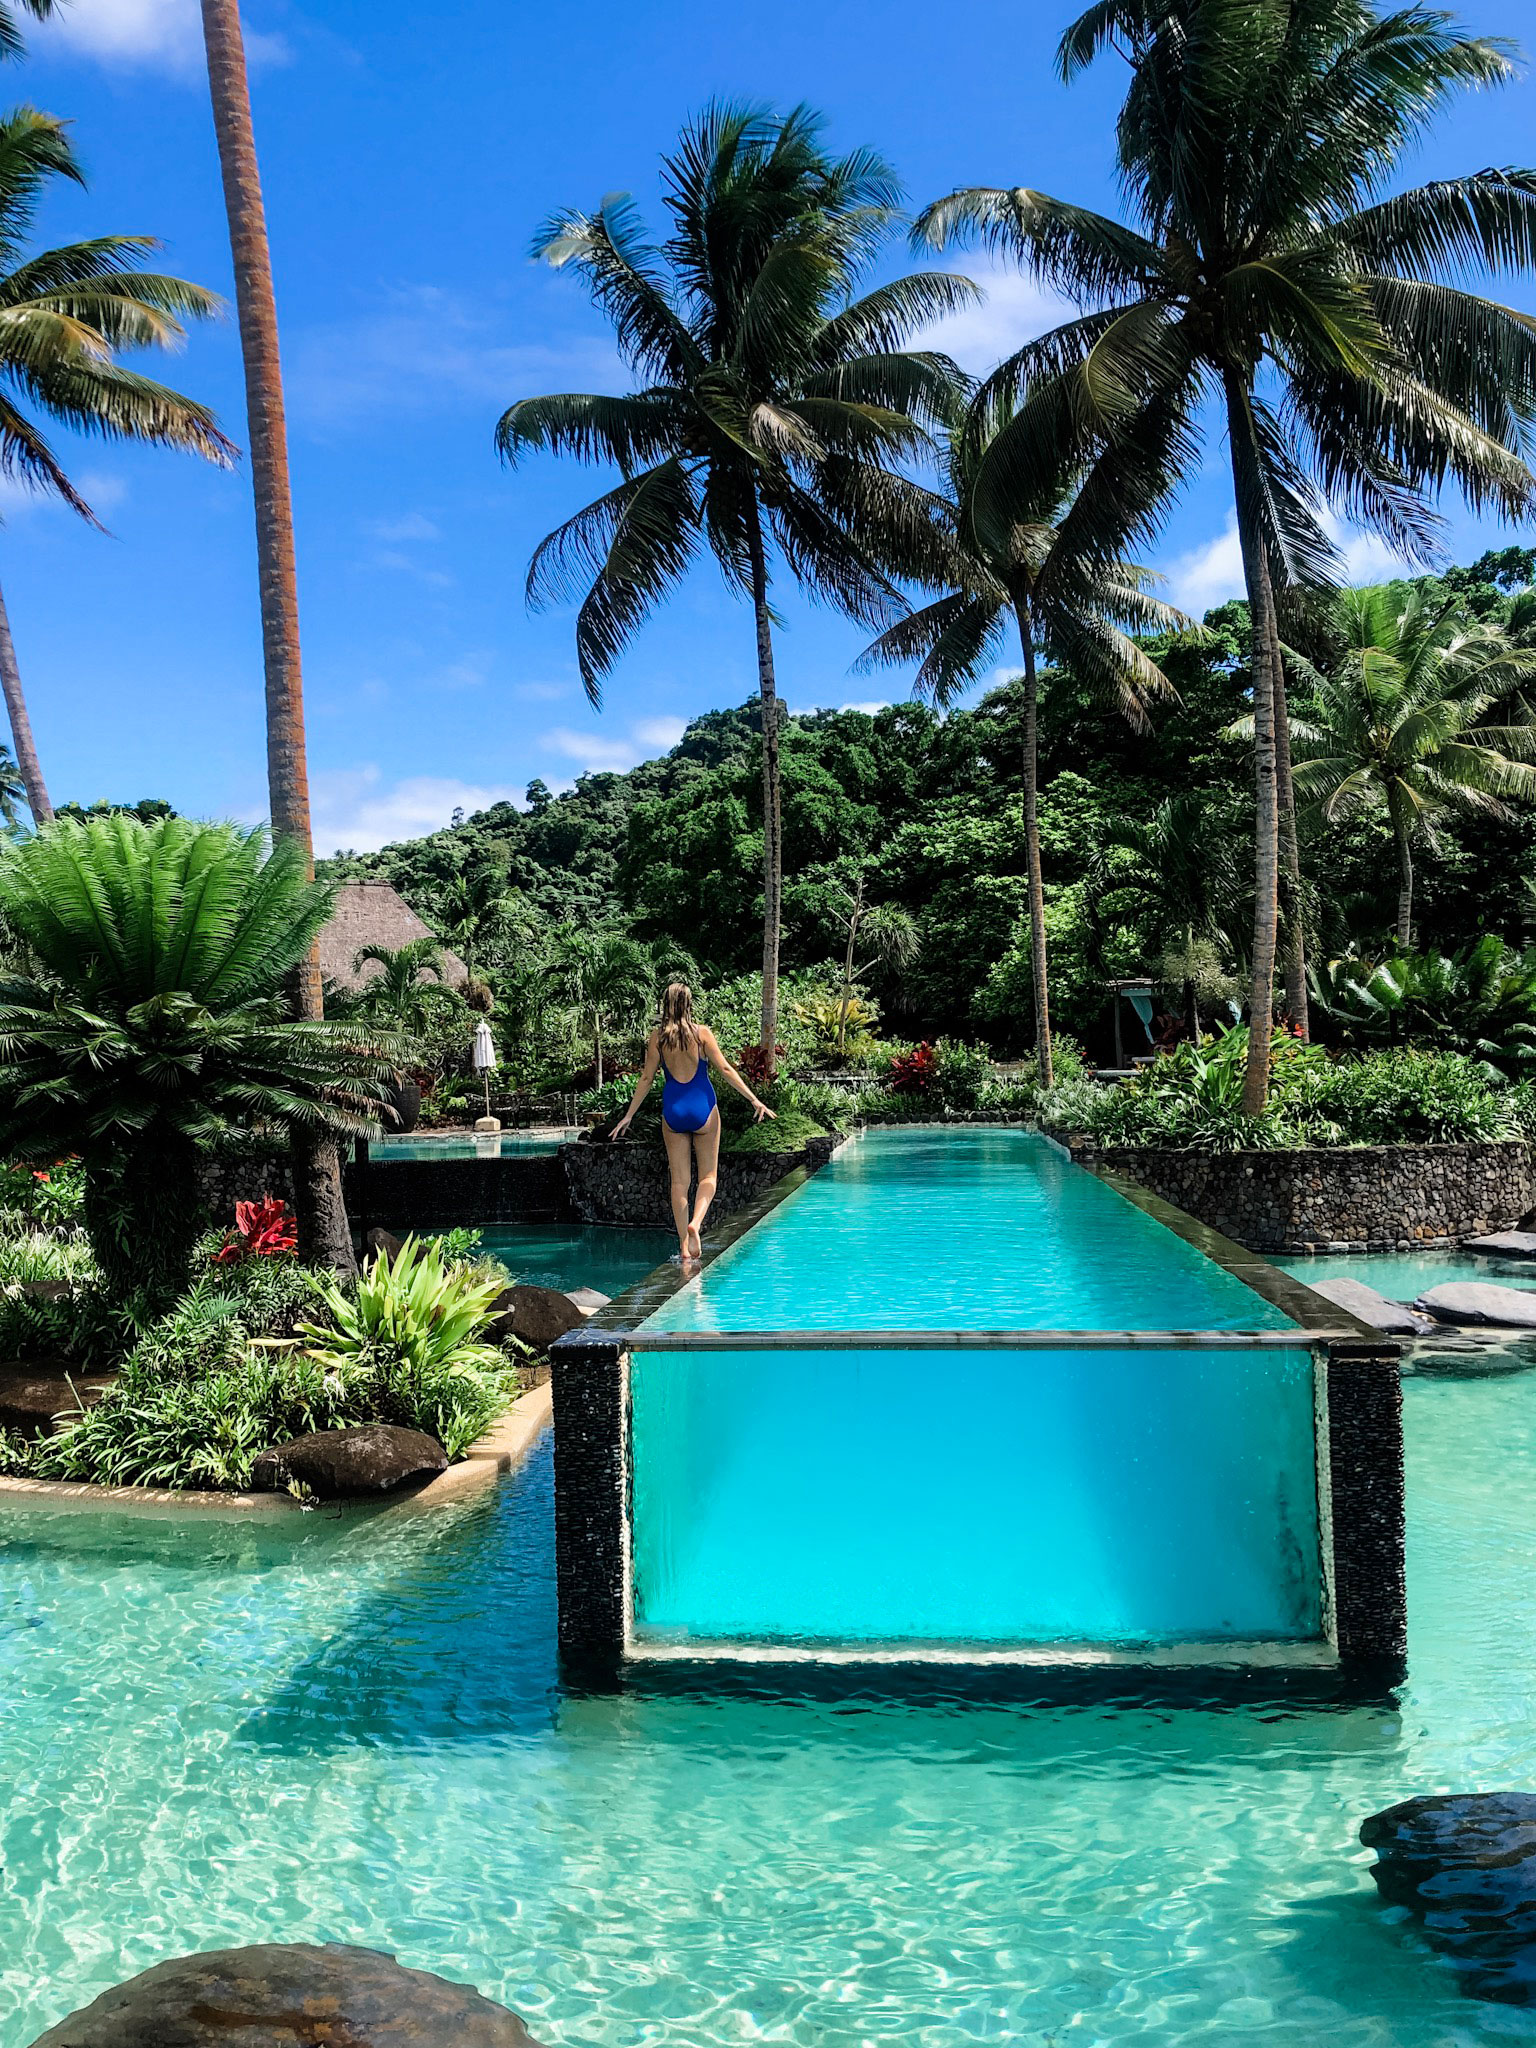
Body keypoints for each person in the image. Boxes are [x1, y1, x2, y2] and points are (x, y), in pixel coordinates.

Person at [610, 983, 775, 1263]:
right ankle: (696, 1223)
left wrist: (628, 1115)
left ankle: (684, 1248)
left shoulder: (658, 1038)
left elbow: (647, 1078)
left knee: (679, 1182)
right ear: (689, 1004)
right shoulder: (702, 1034)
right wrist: (754, 1100)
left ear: (665, 1004)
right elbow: (724, 1068)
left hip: (673, 1110)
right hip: (703, 1109)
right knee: (708, 1176)